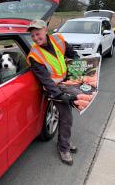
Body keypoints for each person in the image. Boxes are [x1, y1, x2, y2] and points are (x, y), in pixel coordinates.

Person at [26, 19, 87, 166]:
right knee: (66, 117)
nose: (35, 38)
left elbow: (71, 52)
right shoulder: (35, 55)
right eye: (32, 35)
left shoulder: (58, 39)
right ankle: (63, 147)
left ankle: (63, 141)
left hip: (66, 83)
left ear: (46, 30)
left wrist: (79, 61)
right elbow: (45, 80)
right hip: (54, 89)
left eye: (38, 34)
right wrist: (60, 95)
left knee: (68, 115)